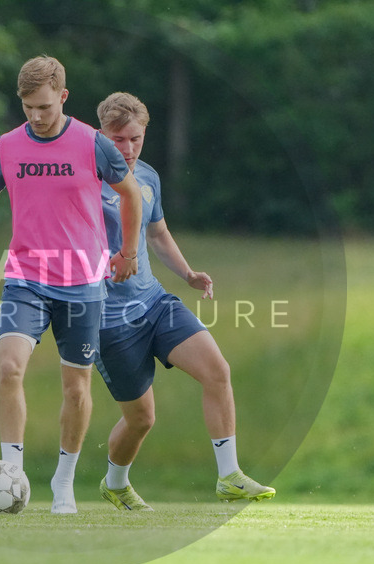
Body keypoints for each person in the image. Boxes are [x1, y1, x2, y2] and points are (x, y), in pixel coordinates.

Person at [0, 56, 143, 514]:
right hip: (26, 278)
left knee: (75, 389)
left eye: (45, 106)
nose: (35, 115)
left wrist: (127, 254)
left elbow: (130, 193)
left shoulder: (93, 143)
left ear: (64, 98)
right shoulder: (6, 146)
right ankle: (13, 472)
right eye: (28, 106)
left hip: (84, 283)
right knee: (9, 368)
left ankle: (64, 481)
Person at [92, 92, 275, 511]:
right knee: (142, 419)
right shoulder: (84, 181)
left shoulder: (149, 178)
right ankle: (115, 483)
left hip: (154, 301)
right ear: (101, 135)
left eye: (135, 138)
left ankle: (229, 476)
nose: (128, 148)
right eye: (118, 139)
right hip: (107, 319)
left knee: (217, 371)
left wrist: (188, 273)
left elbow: (156, 234)